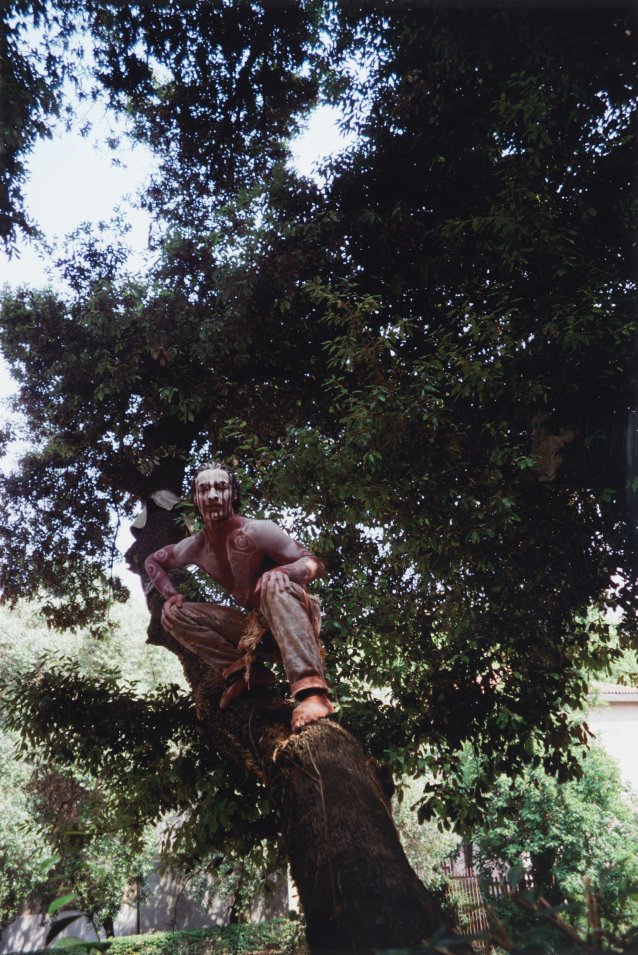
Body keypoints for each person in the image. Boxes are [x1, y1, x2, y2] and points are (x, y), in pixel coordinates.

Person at [145, 461, 334, 731]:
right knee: (175, 614)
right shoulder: (196, 546)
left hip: (293, 615)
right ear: (195, 498)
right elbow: (153, 560)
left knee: (273, 586)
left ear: (233, 494)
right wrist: (170, 595)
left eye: (220, 487)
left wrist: (284, 571)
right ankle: (245, 673)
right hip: (256, 630)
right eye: (204, 489)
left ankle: (313, 693)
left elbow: (315, 563)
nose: (212, 495)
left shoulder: (257, 530)